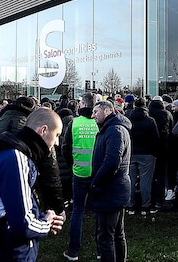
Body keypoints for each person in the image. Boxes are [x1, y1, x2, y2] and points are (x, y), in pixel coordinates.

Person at [0, 107, 65, 261]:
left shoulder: (16, 153)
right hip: (8, 252)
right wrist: (47, 222)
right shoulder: (16, 158)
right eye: (57, 135)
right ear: (43, 130)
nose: (57, 142)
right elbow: (22, 224)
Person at [91, 100, 132, 262]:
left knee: (107, 236)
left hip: (110, 190)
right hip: (114, 189)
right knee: (116, 233)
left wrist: (96, 182)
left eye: (96, 112)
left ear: (107, 111)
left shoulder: (115, 131)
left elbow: (112, 162)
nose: (93, 115)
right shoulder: (111, 129)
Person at [62, 92, 99, 261]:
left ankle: (73, 251)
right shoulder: (100, 122)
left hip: (79, 173)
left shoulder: (74, 123)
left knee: (77, 211)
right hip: (98, 174)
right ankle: (101, 249)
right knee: (100, 212)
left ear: (82, 104)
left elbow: (65, 147)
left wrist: (72, 165)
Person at [127, 97, 159, 215]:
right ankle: (146, 206)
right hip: (147, 154)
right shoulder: (150, 121)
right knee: (146, 181)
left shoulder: (129, 119)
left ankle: (130, 205)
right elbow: (155, 139)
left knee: (131, 180)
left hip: (132, 153)